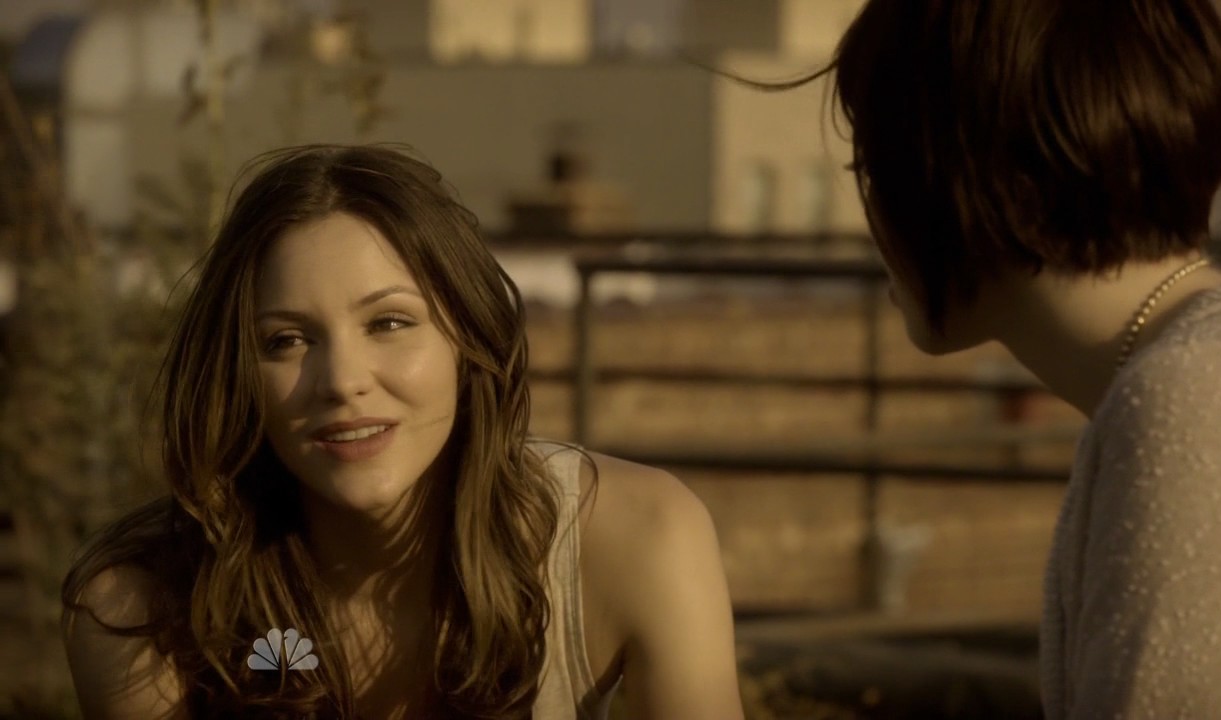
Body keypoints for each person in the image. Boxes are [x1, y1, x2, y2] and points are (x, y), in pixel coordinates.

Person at [61, 144, 744, 719]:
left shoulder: (639, 534)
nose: (342, 380)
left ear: (468, 340)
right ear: (238, 372)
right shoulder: (142, 612)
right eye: (287, 339)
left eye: (389, 323)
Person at [809, 1, 1221, 717]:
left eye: (874, 166)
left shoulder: (1195, 397)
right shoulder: (1199, 367)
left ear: (958, 171)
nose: (872, 213)